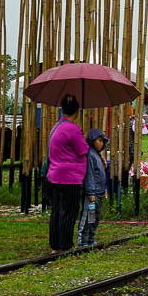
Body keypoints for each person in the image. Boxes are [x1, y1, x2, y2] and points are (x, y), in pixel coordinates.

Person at [47, 94, 88, 251]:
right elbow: (82, 150)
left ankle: (55, 243)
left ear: (62, 109)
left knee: (57, 210)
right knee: (69, 211)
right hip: (70, 177)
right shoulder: (73, 129)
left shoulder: (56, 127)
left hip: (54, 175)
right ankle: (65, 244)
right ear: (77, 111)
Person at [75, 128, 109, 248]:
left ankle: (91, 238)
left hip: (99, 192)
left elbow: (101, 174)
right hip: (92, 193)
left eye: (102, 141)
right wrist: (90, 192)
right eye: (99, 140)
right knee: (88, 215)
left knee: (96, 217)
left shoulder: (98, 155)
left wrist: (104, 190)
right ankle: (82, 239)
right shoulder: (89, 155)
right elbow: (89, 174)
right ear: (92, 141)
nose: (101, 143)